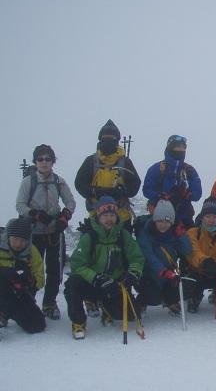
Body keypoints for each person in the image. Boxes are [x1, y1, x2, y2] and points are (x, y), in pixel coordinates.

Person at [64, 197, 145, 339]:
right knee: (72, 284)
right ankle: (78, 321)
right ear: (99, 216)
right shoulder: (90, 237)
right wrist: (96, 278)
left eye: (112, 215)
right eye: (105, 215)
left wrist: (133, 273)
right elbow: (77, 265)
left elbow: (136, 257)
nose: (109, 219)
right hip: (93, 282)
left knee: (133, 315)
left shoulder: (122, 235)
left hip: (114, 284)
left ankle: (106, 308)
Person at [15, 144, 76, 320]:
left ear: (53, 161)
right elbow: (20, 204)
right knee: (32, 268)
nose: (44, 162)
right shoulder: (29, 182)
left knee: (55, 269)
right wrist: (35, 214)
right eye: (40, 159)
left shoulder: (59, 181)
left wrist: (65, 216)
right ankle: (28, 299)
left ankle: (49, 302)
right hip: (33, 232)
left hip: (54, 232)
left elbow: (70, 202)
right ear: (35, 161)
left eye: (47, 159)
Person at [74, 120, 141, 228]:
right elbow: (79, 183)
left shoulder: (125, 162)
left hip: (121, 218)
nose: (109, 141)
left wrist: (122, 190)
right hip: (97, 217)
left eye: (112, 139)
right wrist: (94, 191)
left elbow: (135, 185)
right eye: (105, 138)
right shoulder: (91, 161)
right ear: (100, 140)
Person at [136, 200, 192, 316]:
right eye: (160, 220)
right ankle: (141, 303)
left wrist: (182, 235)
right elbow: (148, 256)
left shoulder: (174, 233)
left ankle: (170, 301)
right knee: (153, 295)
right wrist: (162, 271)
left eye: (167, 221)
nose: (163, 224)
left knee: (187, 287)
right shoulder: (145, 233)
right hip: (148, 273)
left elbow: (187, 250)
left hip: (169, 273)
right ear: (154, 219)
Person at [184, 197, 216, 313]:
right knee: (189, 280)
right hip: (200, 270)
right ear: (202, 217)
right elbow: (193, 252)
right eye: (208, 216)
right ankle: (194, 298)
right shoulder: (192, 233)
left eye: (215, 217)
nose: (211, 220)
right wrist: (205, 261)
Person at [142, 135, 202, 227]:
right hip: (159, 216)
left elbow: (197, 194)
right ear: (170, 148)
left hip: (183, 216)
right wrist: (161, 195)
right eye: (177, 146)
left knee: (188, 240)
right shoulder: (156, 169)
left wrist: (187, 194)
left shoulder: (189, 170)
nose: (181, 150)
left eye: (183, 147)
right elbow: (146, 190)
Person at [0, 218, 45, 333]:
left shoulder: (32, 252)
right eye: (15, 239)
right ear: (8, 236)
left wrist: (30, 280)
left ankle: (8, 312)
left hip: (20, 293)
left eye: (23, 240)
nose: (19, 244)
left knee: (37, 325)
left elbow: (40, 279)